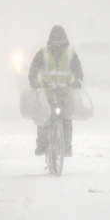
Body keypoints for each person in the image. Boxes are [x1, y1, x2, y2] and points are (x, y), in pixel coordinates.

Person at [28, 25, 83, 157]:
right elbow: (33, 70)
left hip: (65, 93)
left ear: (65, 40)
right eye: (55, 41)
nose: (58, 44)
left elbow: (78, 71)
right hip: (47, 93)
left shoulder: (71, 54)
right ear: (50, 41)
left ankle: (67, 147)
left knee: (66, 118)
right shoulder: (43, 53)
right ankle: (41, 145)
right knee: (43, 117)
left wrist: (78, 81)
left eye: (60, 41)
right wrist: (34, 82)